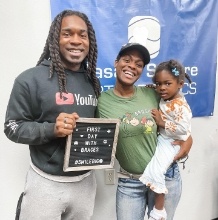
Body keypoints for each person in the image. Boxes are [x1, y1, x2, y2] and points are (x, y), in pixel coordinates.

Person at [4, 10, 100, 220]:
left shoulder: (92, 81)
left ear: (89, 41)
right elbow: (12, 127)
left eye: (82, 35)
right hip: (46, 183)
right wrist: (51, 129)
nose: (76, 40)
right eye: (67, 34)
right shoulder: (29, 79)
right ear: (55, 38)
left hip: (86, 182)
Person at [96, 43, 192, 220]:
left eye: (139, 64)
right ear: (116, 63)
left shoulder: (153, 94)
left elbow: (179, 119)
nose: (132, 66)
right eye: (127, 60)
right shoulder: (101, 102)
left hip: (165, 177)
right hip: (129, 182)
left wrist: (188, 140)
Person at [139, 60, 192, 220]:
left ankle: (159, 210)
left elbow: (184, 129)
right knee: (154, 170)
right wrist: (151, 88)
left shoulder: (179, 106)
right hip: (164, 139)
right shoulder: (165, 96)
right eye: (158, 83)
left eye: (167, 83)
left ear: (180, 84)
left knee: (156, 171)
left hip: (171, 143)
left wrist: (162, 122)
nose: (162, 88)